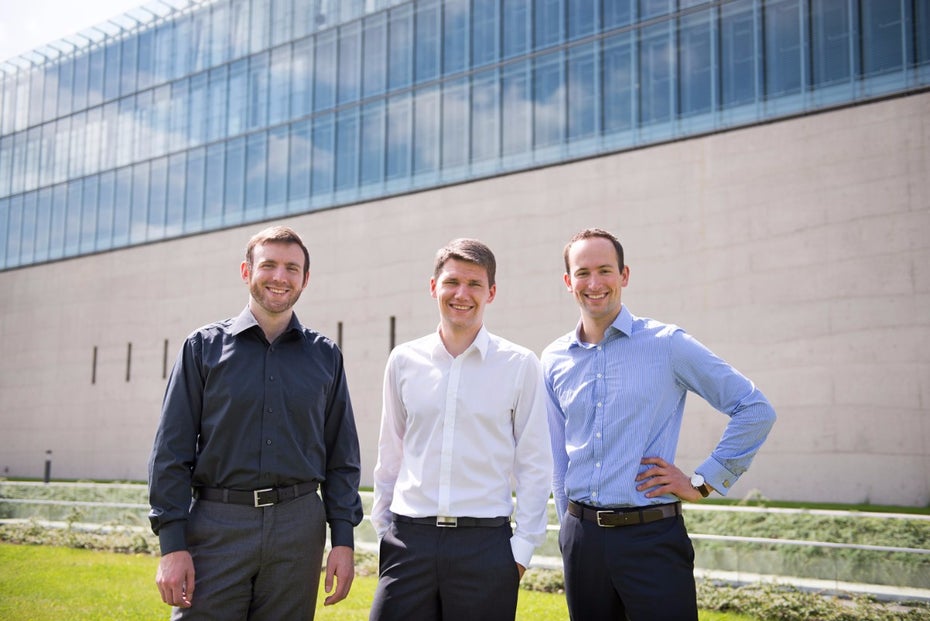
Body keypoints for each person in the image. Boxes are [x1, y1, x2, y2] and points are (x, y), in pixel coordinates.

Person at [542, 228, 776, 621]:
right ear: (568, 282)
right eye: (582, 273)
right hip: (582, 542)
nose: (594, 283)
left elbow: (754, 409)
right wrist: (569, 529)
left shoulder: (668, 345)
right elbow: (557, 456)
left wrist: (702, 482)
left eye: (605, 270)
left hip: (650, 540)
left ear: (625, 275)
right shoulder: (552, 359)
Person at [147, 225, 363, 620]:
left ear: (305, 279)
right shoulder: (202, 348)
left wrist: (344, 540)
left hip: (299, 527)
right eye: (269, 265)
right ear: (246, 272)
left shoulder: (326, 356)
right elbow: (170, 452)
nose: (280, 277)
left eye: (292, 269)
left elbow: (342, 457)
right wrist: (172, 545)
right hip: (217, 525)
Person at [369, 238, 553, 621]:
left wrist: (521, 550)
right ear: (433, 286)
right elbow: (391, 453)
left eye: (474, 284)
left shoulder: (519, 364)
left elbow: (535, 463)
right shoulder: (403, 361)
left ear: (492, 292)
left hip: (485, 546)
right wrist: (384, 529)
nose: (462, 294)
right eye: (452, 282)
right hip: (409, 542)